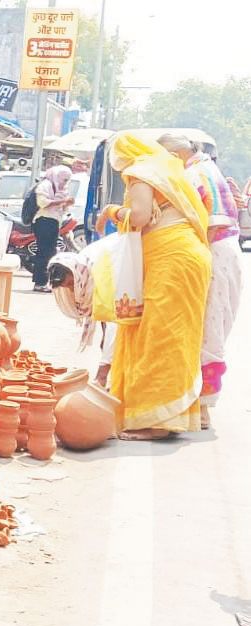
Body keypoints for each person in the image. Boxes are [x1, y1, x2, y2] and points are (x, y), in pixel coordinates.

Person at [96, 133, 211, 440]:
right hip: (185, 258)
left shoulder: (141, 172)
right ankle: (172, 413)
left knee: (158, 337)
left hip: (172, 260)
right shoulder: (166, 169)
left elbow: (141, 217)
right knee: (174, 336)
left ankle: (156, 423)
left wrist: (112, 211)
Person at [156, 133, 243, 429]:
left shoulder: (195, 174)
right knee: (210, 327)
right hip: (223, 252)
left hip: (213, 254)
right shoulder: (205, 168)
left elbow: (210, 224)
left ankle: (201, 408)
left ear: (176, 154)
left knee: (207, 329)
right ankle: (195, 403)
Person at [47, 250, 116, 388]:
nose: (72, 291)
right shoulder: (81, 266)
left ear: (78, 276)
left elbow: (114, 331)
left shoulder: (101, 278)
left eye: (72, 283)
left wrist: (101, 374)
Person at [32, 165, 74, 292]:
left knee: (50, 252)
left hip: (54, 221)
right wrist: (62, 201)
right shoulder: (46, 185)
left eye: (67, 180)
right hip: (43, 221)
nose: (65, 182)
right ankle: (40, 283)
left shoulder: (61, 188)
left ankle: (45, 282)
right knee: (44, 252)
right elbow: (42, 203)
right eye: (64, 179)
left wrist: (67, 203)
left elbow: (62, 208)